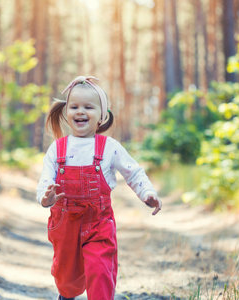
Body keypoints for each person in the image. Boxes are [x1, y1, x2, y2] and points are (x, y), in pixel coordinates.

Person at [36, 75, 161, 300]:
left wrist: (147, 192)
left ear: (102, 116)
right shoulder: (57, 148)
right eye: (74, 106)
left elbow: (133, 171)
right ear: (66, 112)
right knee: (67, 281)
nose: (80, 111)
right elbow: (45, 179)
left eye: (88, 107)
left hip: (98, 223)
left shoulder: (109, 147)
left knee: (101, 271)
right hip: (65, 224)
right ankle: (66, 295)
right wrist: (46, 197)